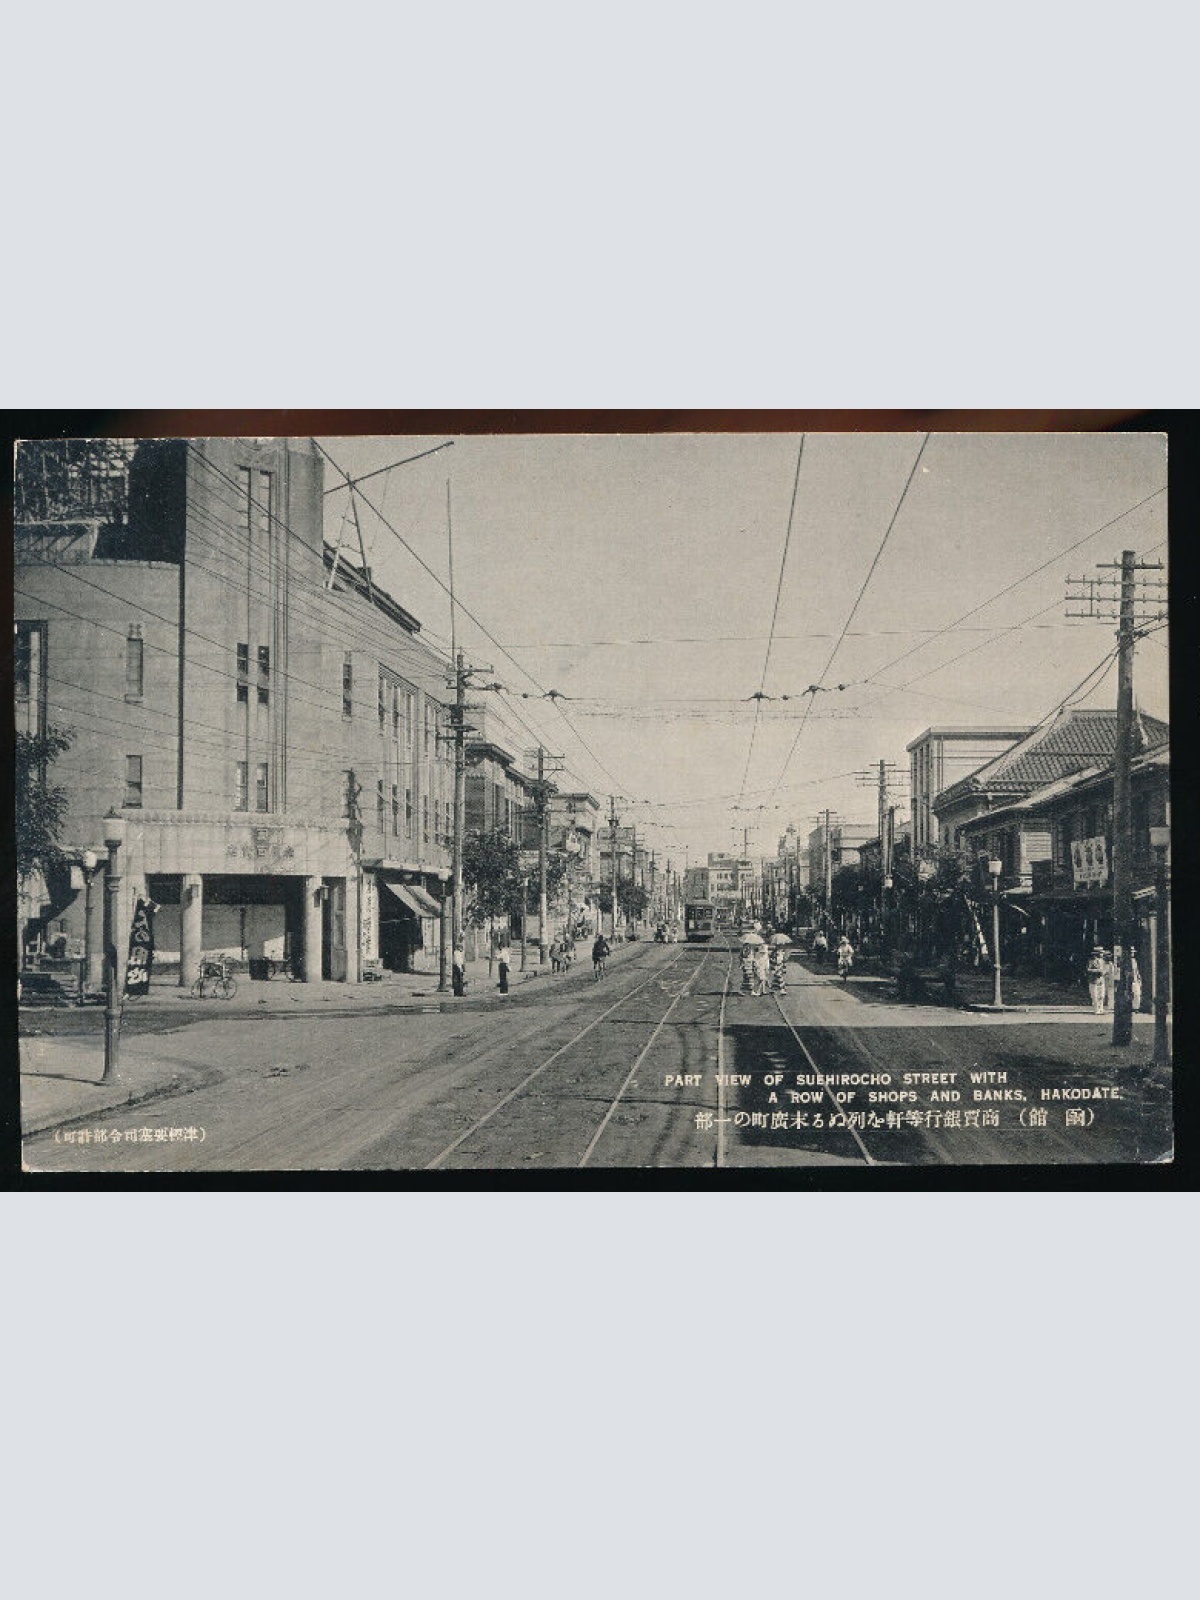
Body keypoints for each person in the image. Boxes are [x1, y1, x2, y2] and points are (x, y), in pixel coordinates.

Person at [1085, 946, 1107, 1014]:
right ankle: (1096, 1009)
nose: (1102, 954)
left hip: (1101, 980)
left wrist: (1104, 972)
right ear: (1097, 954)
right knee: (1095, 996)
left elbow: (1105, 969)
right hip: (1093, 980)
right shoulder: (1091, 961)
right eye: (1101, 953)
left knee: (1102, 995)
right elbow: (1088, 970)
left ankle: (1101, 1009)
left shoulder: (1102, 961)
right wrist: (1097, 971)